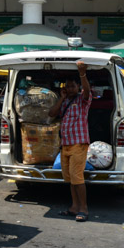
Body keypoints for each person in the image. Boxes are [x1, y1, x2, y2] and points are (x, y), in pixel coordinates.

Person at [48, 60, 93, 223]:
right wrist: (62, 98)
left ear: (78, 87)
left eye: (73, 86)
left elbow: (87, 91)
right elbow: (52, 113)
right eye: (67, 86)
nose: (70, 89)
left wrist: (82, 74)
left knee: (77, 177)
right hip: (65, 145)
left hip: (78, 144)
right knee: (69, 179)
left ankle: (84, 209)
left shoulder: (83, 100)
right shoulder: (65, 101)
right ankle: (74, 207)